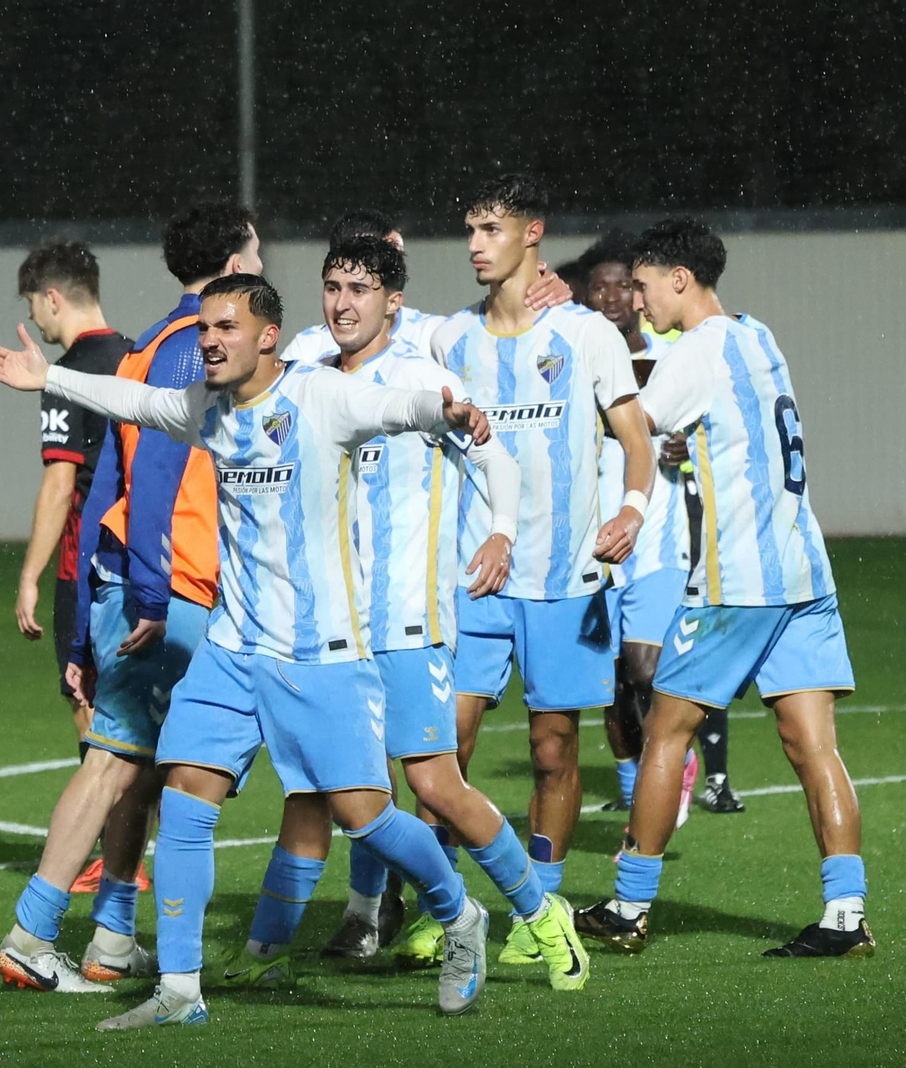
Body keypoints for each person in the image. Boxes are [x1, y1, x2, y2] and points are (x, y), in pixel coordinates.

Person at [0, 273, 497, 1026]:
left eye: (226, 327)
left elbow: (391, 407)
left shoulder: (319, 397)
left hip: (317, 652)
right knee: (187, 792)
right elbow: (136, 402)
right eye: (205, 328)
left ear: (267, 337)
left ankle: (459, 917)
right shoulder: (209, 410)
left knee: (366, 815)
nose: (210, 340)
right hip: (233, 647)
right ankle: (180, 992)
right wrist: (47, 378)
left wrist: (440, 407)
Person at [217, 238, 589, 994]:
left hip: (405, 626)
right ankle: (265, 953)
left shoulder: (421, 376)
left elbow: (497, 460)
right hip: (325, 633)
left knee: (435, 787)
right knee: (311, 793)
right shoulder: (307, 371)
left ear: (393, 300)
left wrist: (501, 532)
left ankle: (545, 920)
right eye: (332, 286)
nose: (343, 302)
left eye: (360, 287)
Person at [577, 220, 871, 958]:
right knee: (813, 745)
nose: (638, 303)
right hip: (804, 569)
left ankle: (628, 904)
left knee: (664, 735)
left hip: (738, 579)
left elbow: (630, 426)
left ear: (680, 278)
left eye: (642, 286)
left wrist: (571, 371)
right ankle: (845, 915)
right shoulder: (754, 334)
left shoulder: (697, 350)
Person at [0, 204, 247, 993]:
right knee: (117, 763)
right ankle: (33, 934)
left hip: (142, 584)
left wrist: (82, 636)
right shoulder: (185, 352)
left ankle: (110, 935)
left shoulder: (148, 349)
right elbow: (153, 483)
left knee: (136, 765)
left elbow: (105, 475)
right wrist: (149, 597)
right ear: (238, 265)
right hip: (164, 589)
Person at [421, 173, 655, 968]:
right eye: (470, 229)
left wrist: (629, 510)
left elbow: (636, 439)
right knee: (443, 750)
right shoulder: (448, 338)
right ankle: (444, 910)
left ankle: (538, 908)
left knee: (555, 749)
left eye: (491, 228)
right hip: (474, 576)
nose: (476, 245)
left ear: (532, 234)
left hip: (564, 580)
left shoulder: (585, 334)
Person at [581, 231, 713, 824]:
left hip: (655, 533)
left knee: (643, 666)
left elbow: (690, 421)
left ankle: (677, 756)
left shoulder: (667, 357)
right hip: (592, 539)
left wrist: (683, 442)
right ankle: (638, 790)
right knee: (606, 685)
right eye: (601, 285)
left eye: (625, 285)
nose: (614, 296)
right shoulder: (575, 359)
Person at [13, 240, 123, 746]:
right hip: (141, 563)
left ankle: (108, 827)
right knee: (143, 718)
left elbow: (60, 483)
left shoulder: (64, 375)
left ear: (52, 297)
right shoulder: (137, 357)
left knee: (91, 712)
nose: (33, 317)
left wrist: (30, 577)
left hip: (85, 569)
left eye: (31, 302)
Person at [280, 211, 569, 366]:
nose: (344, 301)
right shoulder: (307, 351)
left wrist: (530, 287)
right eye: (337, 285)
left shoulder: (434, 337)